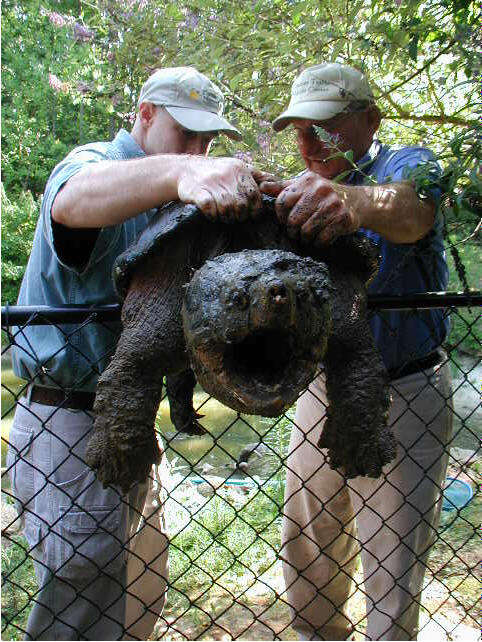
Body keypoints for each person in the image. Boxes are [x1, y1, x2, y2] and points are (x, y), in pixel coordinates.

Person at [7, 66, 265, 641]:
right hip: (67, 418)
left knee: (134, 589)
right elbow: (72, 202)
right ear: (144, 115)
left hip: (131, 421)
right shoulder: (94, 162)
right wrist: (184, 173)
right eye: (186, 134)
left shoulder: (176, 193)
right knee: (85, 584)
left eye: (208, 141)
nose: (199, 150)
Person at [260, 63, 453, 640]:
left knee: (391, 582)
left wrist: (345, 200)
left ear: (370, 120)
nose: (307, 142)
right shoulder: (297, 192)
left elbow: (414, 208)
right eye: (298, 127)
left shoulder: (410, 164)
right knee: (309, 560)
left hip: (406, 393)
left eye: (324, 125)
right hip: (321, 392)